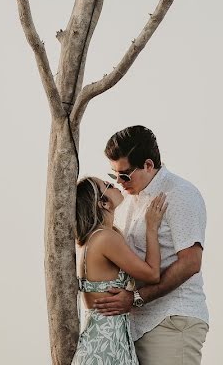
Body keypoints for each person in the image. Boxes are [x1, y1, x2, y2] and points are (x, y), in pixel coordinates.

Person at [93, 125, 209, 365]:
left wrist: (135, 298)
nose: (120, 182)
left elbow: (191, 263)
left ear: (147, 165)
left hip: (171, 321)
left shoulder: (179, 194)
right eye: (114, 176)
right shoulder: (130, 200)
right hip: (135, 326)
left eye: (125, 175)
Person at [71, 176, 168, 365]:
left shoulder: (93, 239)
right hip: (107, 345)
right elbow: (152, 274)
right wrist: (151, 227)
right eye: (107, 186)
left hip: (101, 340)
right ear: (103, 203)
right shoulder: (106, 238)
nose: (115, 185)